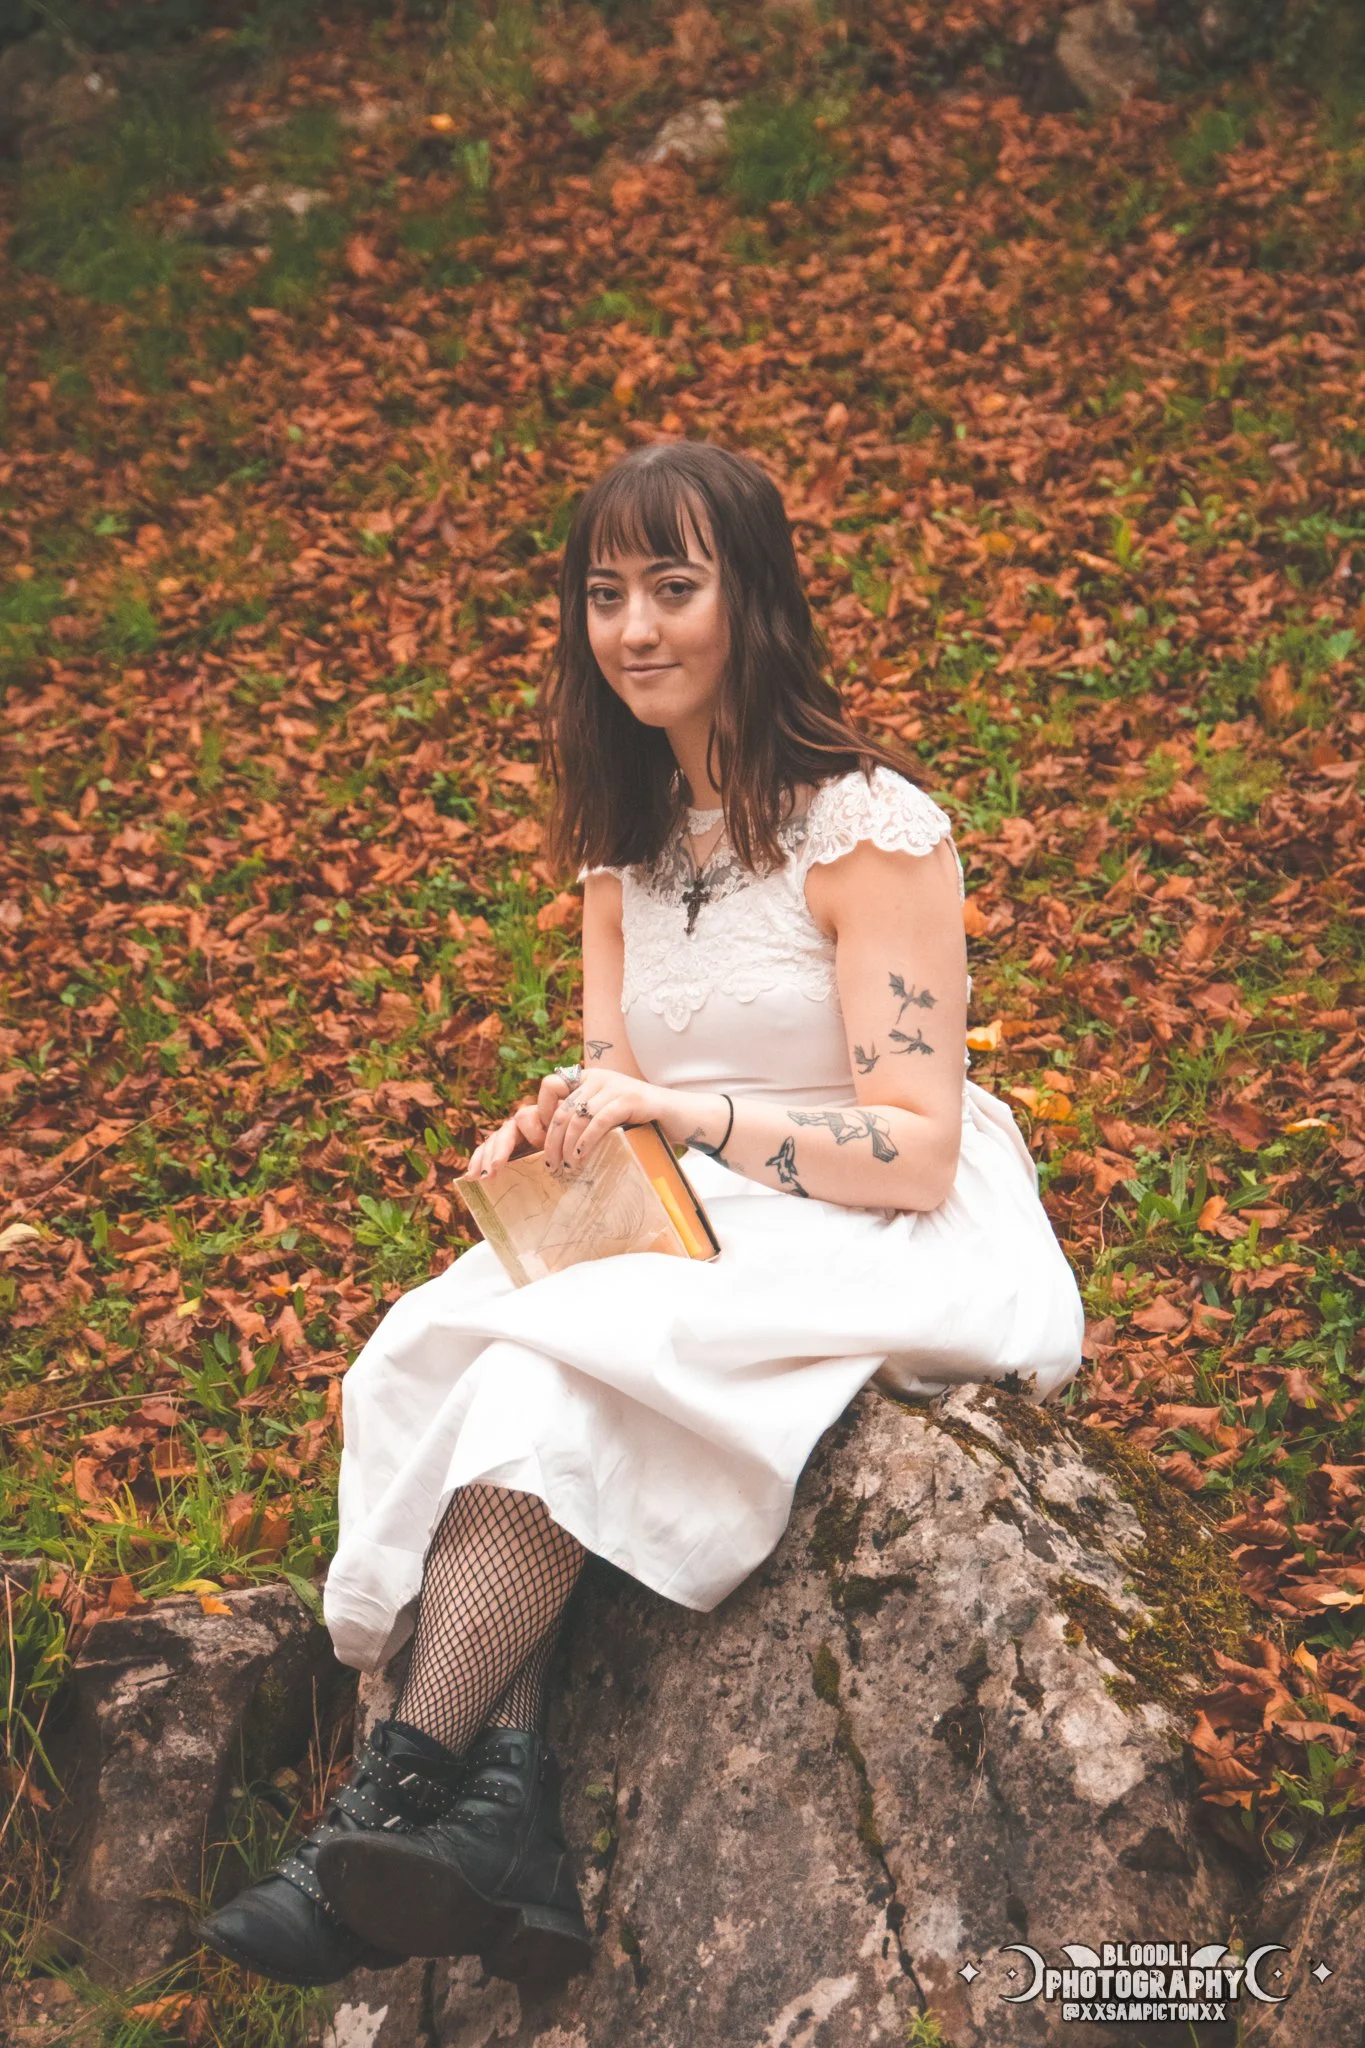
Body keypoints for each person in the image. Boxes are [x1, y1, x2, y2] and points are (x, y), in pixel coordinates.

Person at [197, 440, 1085, 1991]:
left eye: (675, 588)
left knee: (549, 1361)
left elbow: (917, 1149)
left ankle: (389, 1799)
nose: (635, 629)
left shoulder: (873, 829)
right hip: (695, 1211)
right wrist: (563, 1118)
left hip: (867, 1215)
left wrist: (689, 1115)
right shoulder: (626, 849)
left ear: (757, 601)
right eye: (604, 596)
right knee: (446, 1348)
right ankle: (503, 1812)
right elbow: (622, 1080)